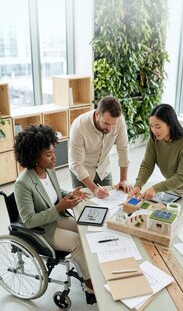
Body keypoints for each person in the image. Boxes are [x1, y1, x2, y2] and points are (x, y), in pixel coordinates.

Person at [14, 124, 96, 303]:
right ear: (35, 157)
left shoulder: (48, 171)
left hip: (54, 219)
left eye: (53, 152)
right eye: (48, 154)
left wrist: (71, 194)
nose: (54, 158)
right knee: (76, 242)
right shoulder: (23, 184)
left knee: (83, 228)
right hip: (40, 229)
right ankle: (90, 284)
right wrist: (59, 208)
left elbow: (55, 193)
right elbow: (29, 220)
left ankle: (91, 271)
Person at [128, 103, 183, 210]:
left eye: (158, 127)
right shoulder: (154, 139)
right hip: (170, 185)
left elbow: (181, 177)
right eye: (152, 126)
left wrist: (155, 188)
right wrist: (138, 185)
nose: (154, 130)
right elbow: (147, 165)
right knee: (168, 216)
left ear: (170, 124)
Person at [69, 95, 130, 199]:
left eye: (113, 124)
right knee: (84, 205)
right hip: (82, 170)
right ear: (97, 114)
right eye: (106, 123)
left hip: (103, 169)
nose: (110, 128)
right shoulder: (78, 127)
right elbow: (77, 164)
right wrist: (94, 189)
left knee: (109, 201)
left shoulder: (118, 120)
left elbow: (123, 149)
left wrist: (123, 179)